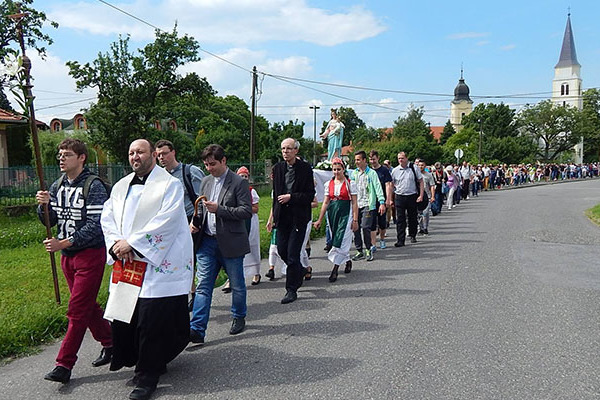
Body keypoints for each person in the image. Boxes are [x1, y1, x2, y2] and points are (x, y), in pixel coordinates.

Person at [101, 138, 193, 400]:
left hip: (157, 265)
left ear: (153, 154)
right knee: (128, 318)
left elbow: (167, 221)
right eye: (131, 152)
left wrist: (134, 243)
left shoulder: (170, 185)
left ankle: (147, 377)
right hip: (127, 262)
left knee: (152, 322)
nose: (135, 156)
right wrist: (117, 245)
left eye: (140, 152)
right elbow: (107, 218)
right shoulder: (120, 187)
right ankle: (145, 362)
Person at [36, 138, 112, 384]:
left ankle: (64, 364)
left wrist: (64, 243)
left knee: (77, 309)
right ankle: (112, 342)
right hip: (67, 258)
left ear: (81, 158)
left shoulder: (94, 186)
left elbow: (96, 227)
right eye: (60, 155)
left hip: (90, 254)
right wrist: (43, 207)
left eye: (67, 154)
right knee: (87, 306)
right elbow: (52, 220)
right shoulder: (57, 185)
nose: (61, 158)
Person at [189, 144, 252, 344]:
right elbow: (201, 207)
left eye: (213, 164)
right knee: (203, 286)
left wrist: (220, 209)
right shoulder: (206, 181)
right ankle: (197, 329)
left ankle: (238, 315)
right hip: (207, 241)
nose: (209, 168)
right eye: (206, 164)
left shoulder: (238, 183)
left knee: (237, 284)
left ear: (223, 161)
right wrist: (195, 220)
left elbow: (246, 211)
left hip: (230, 241)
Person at [155, 139, 205, 309]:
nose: (162, 157)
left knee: (193, 258)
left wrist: (196, 221)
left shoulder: (189, 171)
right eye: (158, 154)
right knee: (179, 259)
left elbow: (202, 198)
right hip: (171, 224)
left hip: (192, 221)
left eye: (165, 153)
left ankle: (197, 294)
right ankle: (189, 293)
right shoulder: (158, 176)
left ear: (173, 152)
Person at [269, 138, 315, 304]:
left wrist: (292, 197)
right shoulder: (278, 168)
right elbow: (275, 194)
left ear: (296, 150)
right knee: (282, 250)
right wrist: (273, 216)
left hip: (298, 217)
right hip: (283, 217)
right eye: (283, 149)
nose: (285, 152)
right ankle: (300, 270)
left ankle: (291, 289)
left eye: (289, 149)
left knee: (293, 254)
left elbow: (310, 194)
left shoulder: (305, 169)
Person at [314, 158, 358, 282]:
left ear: (343, 170)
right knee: (336, 239)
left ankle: (335, 269)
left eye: (339, 169)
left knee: (342, 239)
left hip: (346, 213)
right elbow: (326, 202)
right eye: (334, 170)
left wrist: (355, 219)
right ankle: (347, 260)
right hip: (333, 213)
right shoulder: (329, 184)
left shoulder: (350, 183)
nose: (336, 172)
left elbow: (354, 202)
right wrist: (319, 219)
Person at [350, 151, 386, 261]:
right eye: (355, 160)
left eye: (358, 160)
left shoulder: (371, 173)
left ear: (364, 160)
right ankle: (359, 250)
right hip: (357, 204)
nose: (356, 162)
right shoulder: (354, 174)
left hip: (368, 205)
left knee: (365, 227)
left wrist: (381, 202)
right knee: (355, 227)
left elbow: (377, 187)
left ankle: (369, 248)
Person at [389, 152, 424, 247]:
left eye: (402, 158)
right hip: (399, 196)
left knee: (412, 217)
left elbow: (420, 181)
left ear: (406, 158)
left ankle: (413, 235)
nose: (400, 160)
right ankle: (400, 239)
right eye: (399, 158)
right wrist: (390, 198)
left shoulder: (413, 168)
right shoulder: (395, 170)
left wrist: (421, 195)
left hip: (412, 195)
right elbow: (391, 185)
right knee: (400, 219)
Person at [236, 166, 262, 285]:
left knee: (252, 246)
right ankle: (234, 278)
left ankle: (256, 273)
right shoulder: (234, 189)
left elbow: (256, 209)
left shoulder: (251, 191)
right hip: (237, 221)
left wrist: (245, 208)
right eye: (241, 176)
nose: (243, 178)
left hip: (250, 220)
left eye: (245, 176)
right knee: (236, 249)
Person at [369, 150, 393, 249]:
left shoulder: (384, 171)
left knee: (382, 222)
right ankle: (373, 243)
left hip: (382, 199)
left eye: (374, 159)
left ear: (378, 158)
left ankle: (382, 239)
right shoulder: (368, 171)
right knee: (372, 222)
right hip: (372, 200)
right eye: (370, 159)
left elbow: (388, 185)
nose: (372, 161)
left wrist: (388, 199)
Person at [418, 161, 436, 235]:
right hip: (418, 196)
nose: (420, 167)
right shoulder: (416, 174)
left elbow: (432, 186)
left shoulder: (429, 175)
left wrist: (432, 196)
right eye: (419, 165)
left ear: (425, 166)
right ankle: (420, 228)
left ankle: (425, 227)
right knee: (419, 214)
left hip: (427, 196)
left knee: (425, 213)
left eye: (422, 165)